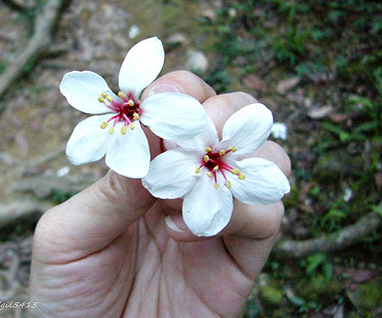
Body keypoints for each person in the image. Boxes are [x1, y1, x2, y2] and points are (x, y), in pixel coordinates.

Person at [29, 71, 291, 317]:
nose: (129, 110)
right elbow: (153, 175)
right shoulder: (150, 149)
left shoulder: (192, 131)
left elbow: (198, 124)